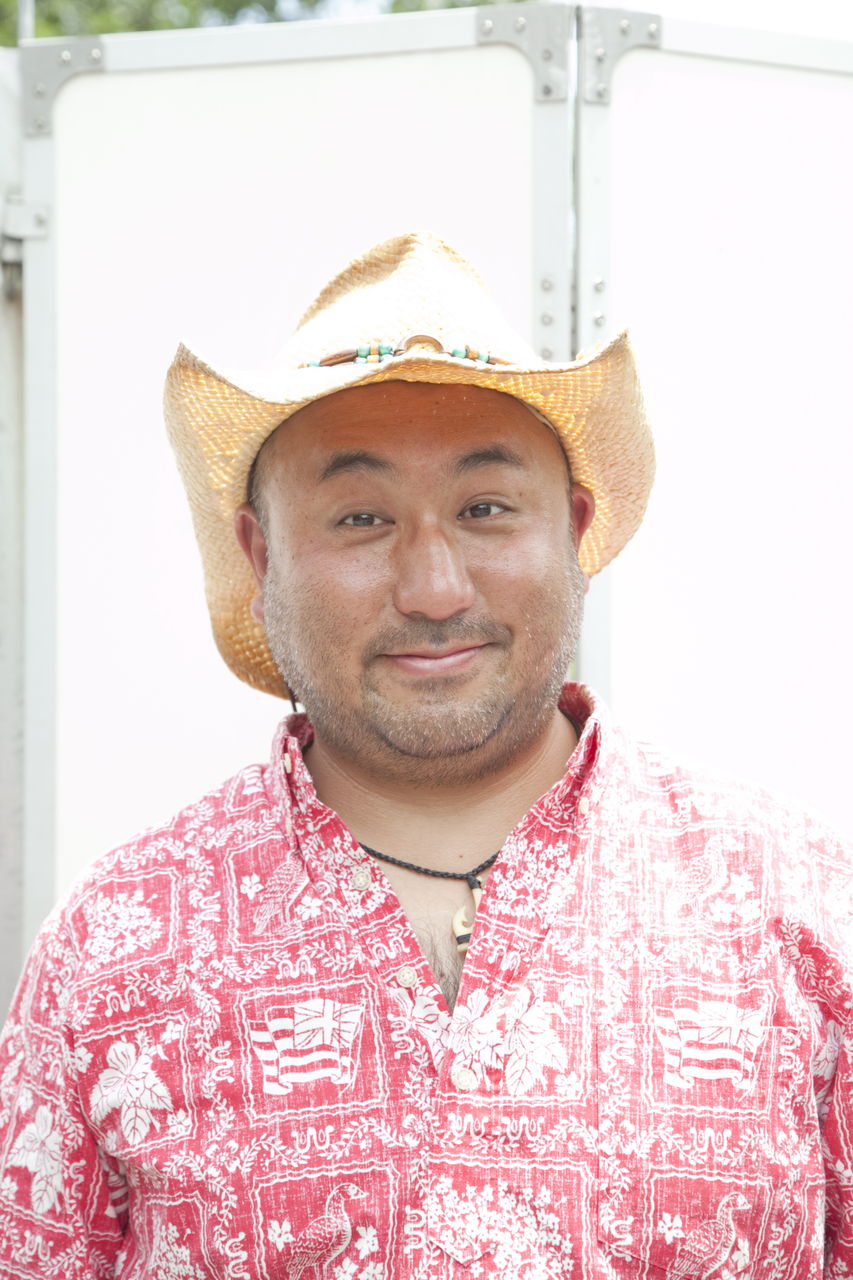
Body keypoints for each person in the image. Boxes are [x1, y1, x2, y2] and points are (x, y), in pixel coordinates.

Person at [0, 231, 850, 1279]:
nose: (435, 588)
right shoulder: (111, 948)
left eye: (485, 508)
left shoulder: (798, 909)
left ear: (574, 529)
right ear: (259, 556)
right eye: (361, 518)